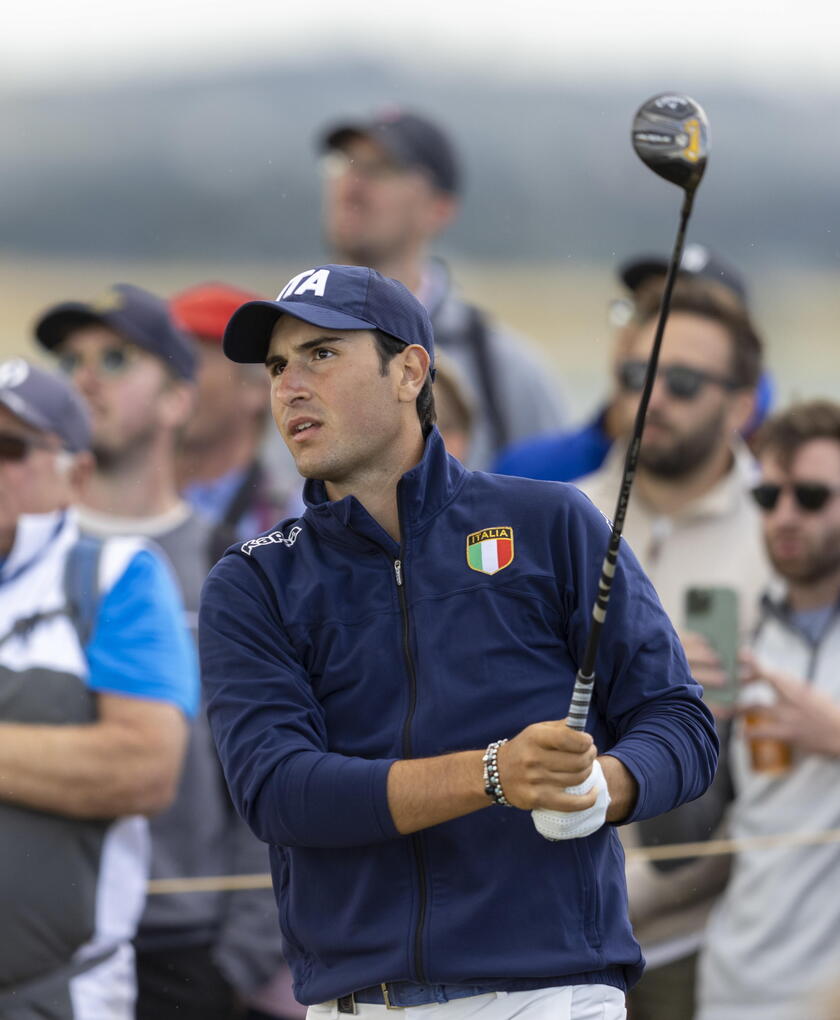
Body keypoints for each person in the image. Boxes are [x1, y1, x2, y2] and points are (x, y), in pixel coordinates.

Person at [199, 263, 718, 1019]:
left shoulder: (554, 524)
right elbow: (280, 792)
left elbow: (680, 724)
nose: (290, 386)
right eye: (278, 364)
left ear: (409, 370)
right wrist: (495, 774)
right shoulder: (254, 580)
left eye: (321, 354)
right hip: (358, 1003)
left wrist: (607, 785)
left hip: (549, 993)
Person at [33, 285, 285, 1019]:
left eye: (116, 358)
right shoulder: (25, 557)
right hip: (39, 938)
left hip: (183, 945)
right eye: (69, 359)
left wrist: (234, 963)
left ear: (179, 399)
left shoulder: (235, 568)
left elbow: (267, 773)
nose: (85, 377)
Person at [575, 288, 773, 1018]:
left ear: (744, 404)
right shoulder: (558, 516)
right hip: (551, 942)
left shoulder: (791, 533)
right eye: (635, 376)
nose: (652, 398)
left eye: (682, 382)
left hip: (704, 949)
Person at [0, 358, 196, 1019]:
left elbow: (143, 769)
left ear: (77, 474)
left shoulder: (118, 577)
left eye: (10, 448)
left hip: (59, 995)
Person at [318, 107, 566, 469]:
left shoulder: (505, 371)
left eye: (379, 168)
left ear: (439, 208)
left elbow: (554, 511)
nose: (352, 184)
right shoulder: (274, 352)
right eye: (344, 164)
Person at [697, 400, 840, 1020]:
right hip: (735, 985)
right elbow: (683, 832)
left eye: (810, 497)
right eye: (767, 497)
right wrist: (686, 725)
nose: (784, 516)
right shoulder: (741, 631)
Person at [493, 244, 770, 482]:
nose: (645, 331)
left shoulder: (781, 492)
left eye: (679, 313)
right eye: (642, 309)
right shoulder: (531, 471)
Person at [172, 281, 303, 559]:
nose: (171, 380)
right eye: (165, 362)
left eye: (188, 361)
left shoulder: (296, 521)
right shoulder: (110, 499)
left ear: (257, 388)